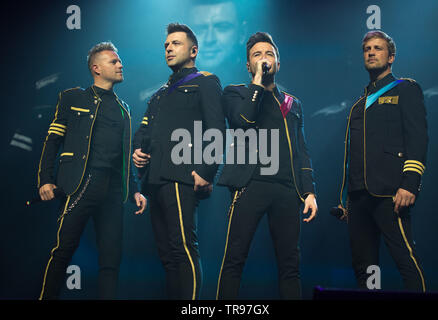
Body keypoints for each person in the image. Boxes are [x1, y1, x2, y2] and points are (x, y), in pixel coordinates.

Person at [37, 42, 147, 299]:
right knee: (63, 251)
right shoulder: (73, 97)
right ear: (96, 68)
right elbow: (52, 140)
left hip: (113, 191)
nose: (120, 65)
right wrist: (45, 179)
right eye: (114, 62)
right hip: (81, 184)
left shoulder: (124, 109)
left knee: (111, 258)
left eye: (120, 62)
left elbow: (123, 157)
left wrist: (134, 192)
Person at [216, 32, 318, 299]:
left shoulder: (293, 103)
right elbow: (242, 121)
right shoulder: (234, 93)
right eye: (257, 55)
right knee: (234, 260)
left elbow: (301, 150)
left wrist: (309, 191)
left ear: (279, 64)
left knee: (290, 265)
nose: (264, 59)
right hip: (250, 185)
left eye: (269, 54)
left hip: (287, 190)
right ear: (248, 66)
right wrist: (258, 85)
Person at [132, 23, 225, 300]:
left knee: (183, 249)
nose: (169, 48)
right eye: (166, 45)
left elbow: (217, 129)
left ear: (193, 50)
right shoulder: (159, 93)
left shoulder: (205, 81)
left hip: (182, 175)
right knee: (168, 257)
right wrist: (137, 149)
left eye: (176, 44)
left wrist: (208, 171)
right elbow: (144, 130)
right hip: (155, 179)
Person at [337, 31, 428, 292]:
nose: (371, 52)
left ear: (391, 57)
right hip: (358, 198)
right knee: (365, 269)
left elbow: (418, 138)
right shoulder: (357, 105)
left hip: (391, 192)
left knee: (405, 260)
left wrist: (410, 183)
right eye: (367, 48)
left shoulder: (405, 89)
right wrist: (344, 198)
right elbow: (350, 155)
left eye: (377, 48)